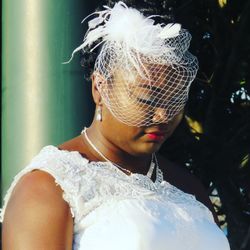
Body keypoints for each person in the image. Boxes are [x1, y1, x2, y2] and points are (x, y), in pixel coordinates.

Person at [1, 1, 230, 249]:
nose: (163, 114)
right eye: (147, 99)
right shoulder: (51, 185)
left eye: (173, 99)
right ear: (100, 87)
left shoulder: (188, 188)